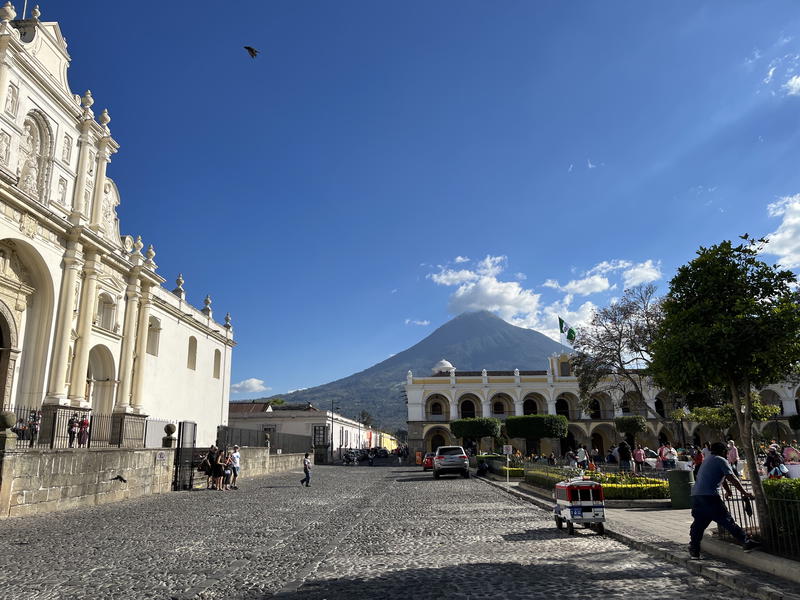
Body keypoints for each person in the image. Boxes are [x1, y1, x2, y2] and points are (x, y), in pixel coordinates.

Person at [689, 441, 759, 559]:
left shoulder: (708, 459)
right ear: (722, 451)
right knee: (726, 520)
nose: (727, 453)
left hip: (697, 496)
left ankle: (694, 549)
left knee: (699, 524)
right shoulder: (721, 460)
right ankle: (746, 541)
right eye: (726, 451)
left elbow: (723, 477)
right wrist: (745, 493)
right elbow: (731, 477)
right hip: (709, 496)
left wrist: (728, 491)